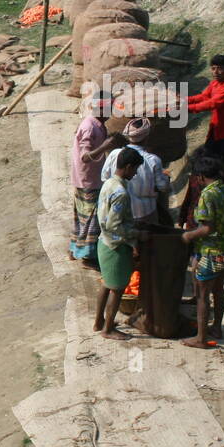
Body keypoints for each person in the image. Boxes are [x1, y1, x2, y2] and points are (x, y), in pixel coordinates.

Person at [181, 153, 224, 349]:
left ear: (200, 177)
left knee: (202, 296)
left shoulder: (208, 194)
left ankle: (201, 338)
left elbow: (207, 228)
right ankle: (217, 328)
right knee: (218, 291)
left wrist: (188, 236)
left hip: (211, 251)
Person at [94, 147, 148, 340]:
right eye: (134, 170)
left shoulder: (108, 183)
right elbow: (114, 225)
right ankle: (108, 329)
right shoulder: (121, 192)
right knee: (117, 290)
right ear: (127, 167)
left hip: (103, 243)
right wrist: (137, 233)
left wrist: (132, 223)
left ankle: (99, 321)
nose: (134, 174)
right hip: (115, 247)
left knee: (106, 284)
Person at [69, 91, 122, 266]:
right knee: (91, 216)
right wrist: (105, 146)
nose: (109, 113)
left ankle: (75, 248)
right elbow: (85, 156)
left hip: (88, 176)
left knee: (82, 214)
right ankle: (86, 255)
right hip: (88, 178)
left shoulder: (99, 124)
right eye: (107, 110)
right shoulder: (90, 127)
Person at [100, 117, 170, 225]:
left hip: (118, 212)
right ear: (147, 137)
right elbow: (163, 187)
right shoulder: (153, 160)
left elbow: (104, 177)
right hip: (145, 213)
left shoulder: (114, 154)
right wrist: (164, 178)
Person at [184, 54, 224, 170]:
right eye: (213, 68)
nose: (216, 72)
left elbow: (212, 103)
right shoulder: (214, 83)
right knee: (209, 156)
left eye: (220, 68)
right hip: (217, 128)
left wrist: (187, 108)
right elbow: (204, 96)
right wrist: (184, 100)